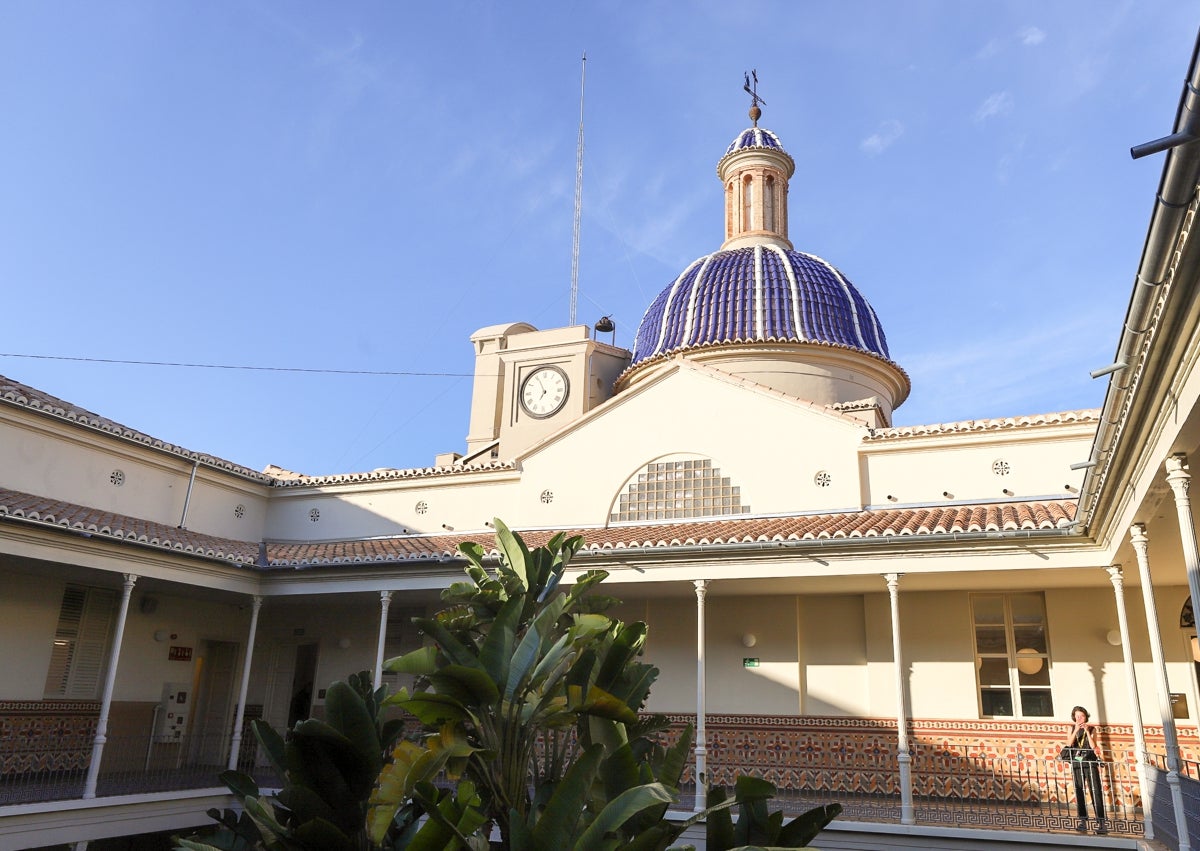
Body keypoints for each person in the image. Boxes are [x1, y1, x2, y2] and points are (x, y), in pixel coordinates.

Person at [1063, 705, 1107, 834]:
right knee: (1079, 790)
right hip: (1077, 763)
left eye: (1081, 716)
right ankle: (1083, 821)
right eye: (1077, 716)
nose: (1079, 718)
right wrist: (1076, 730)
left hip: (1090, 762)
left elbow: (1094, 746)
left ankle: (1101, 823)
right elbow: (1068, 744)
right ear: (1074, 718)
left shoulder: (1092, 729)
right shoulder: (1071, 728)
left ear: (1085, 716)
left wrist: (1087, 732)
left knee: (1096, 791)